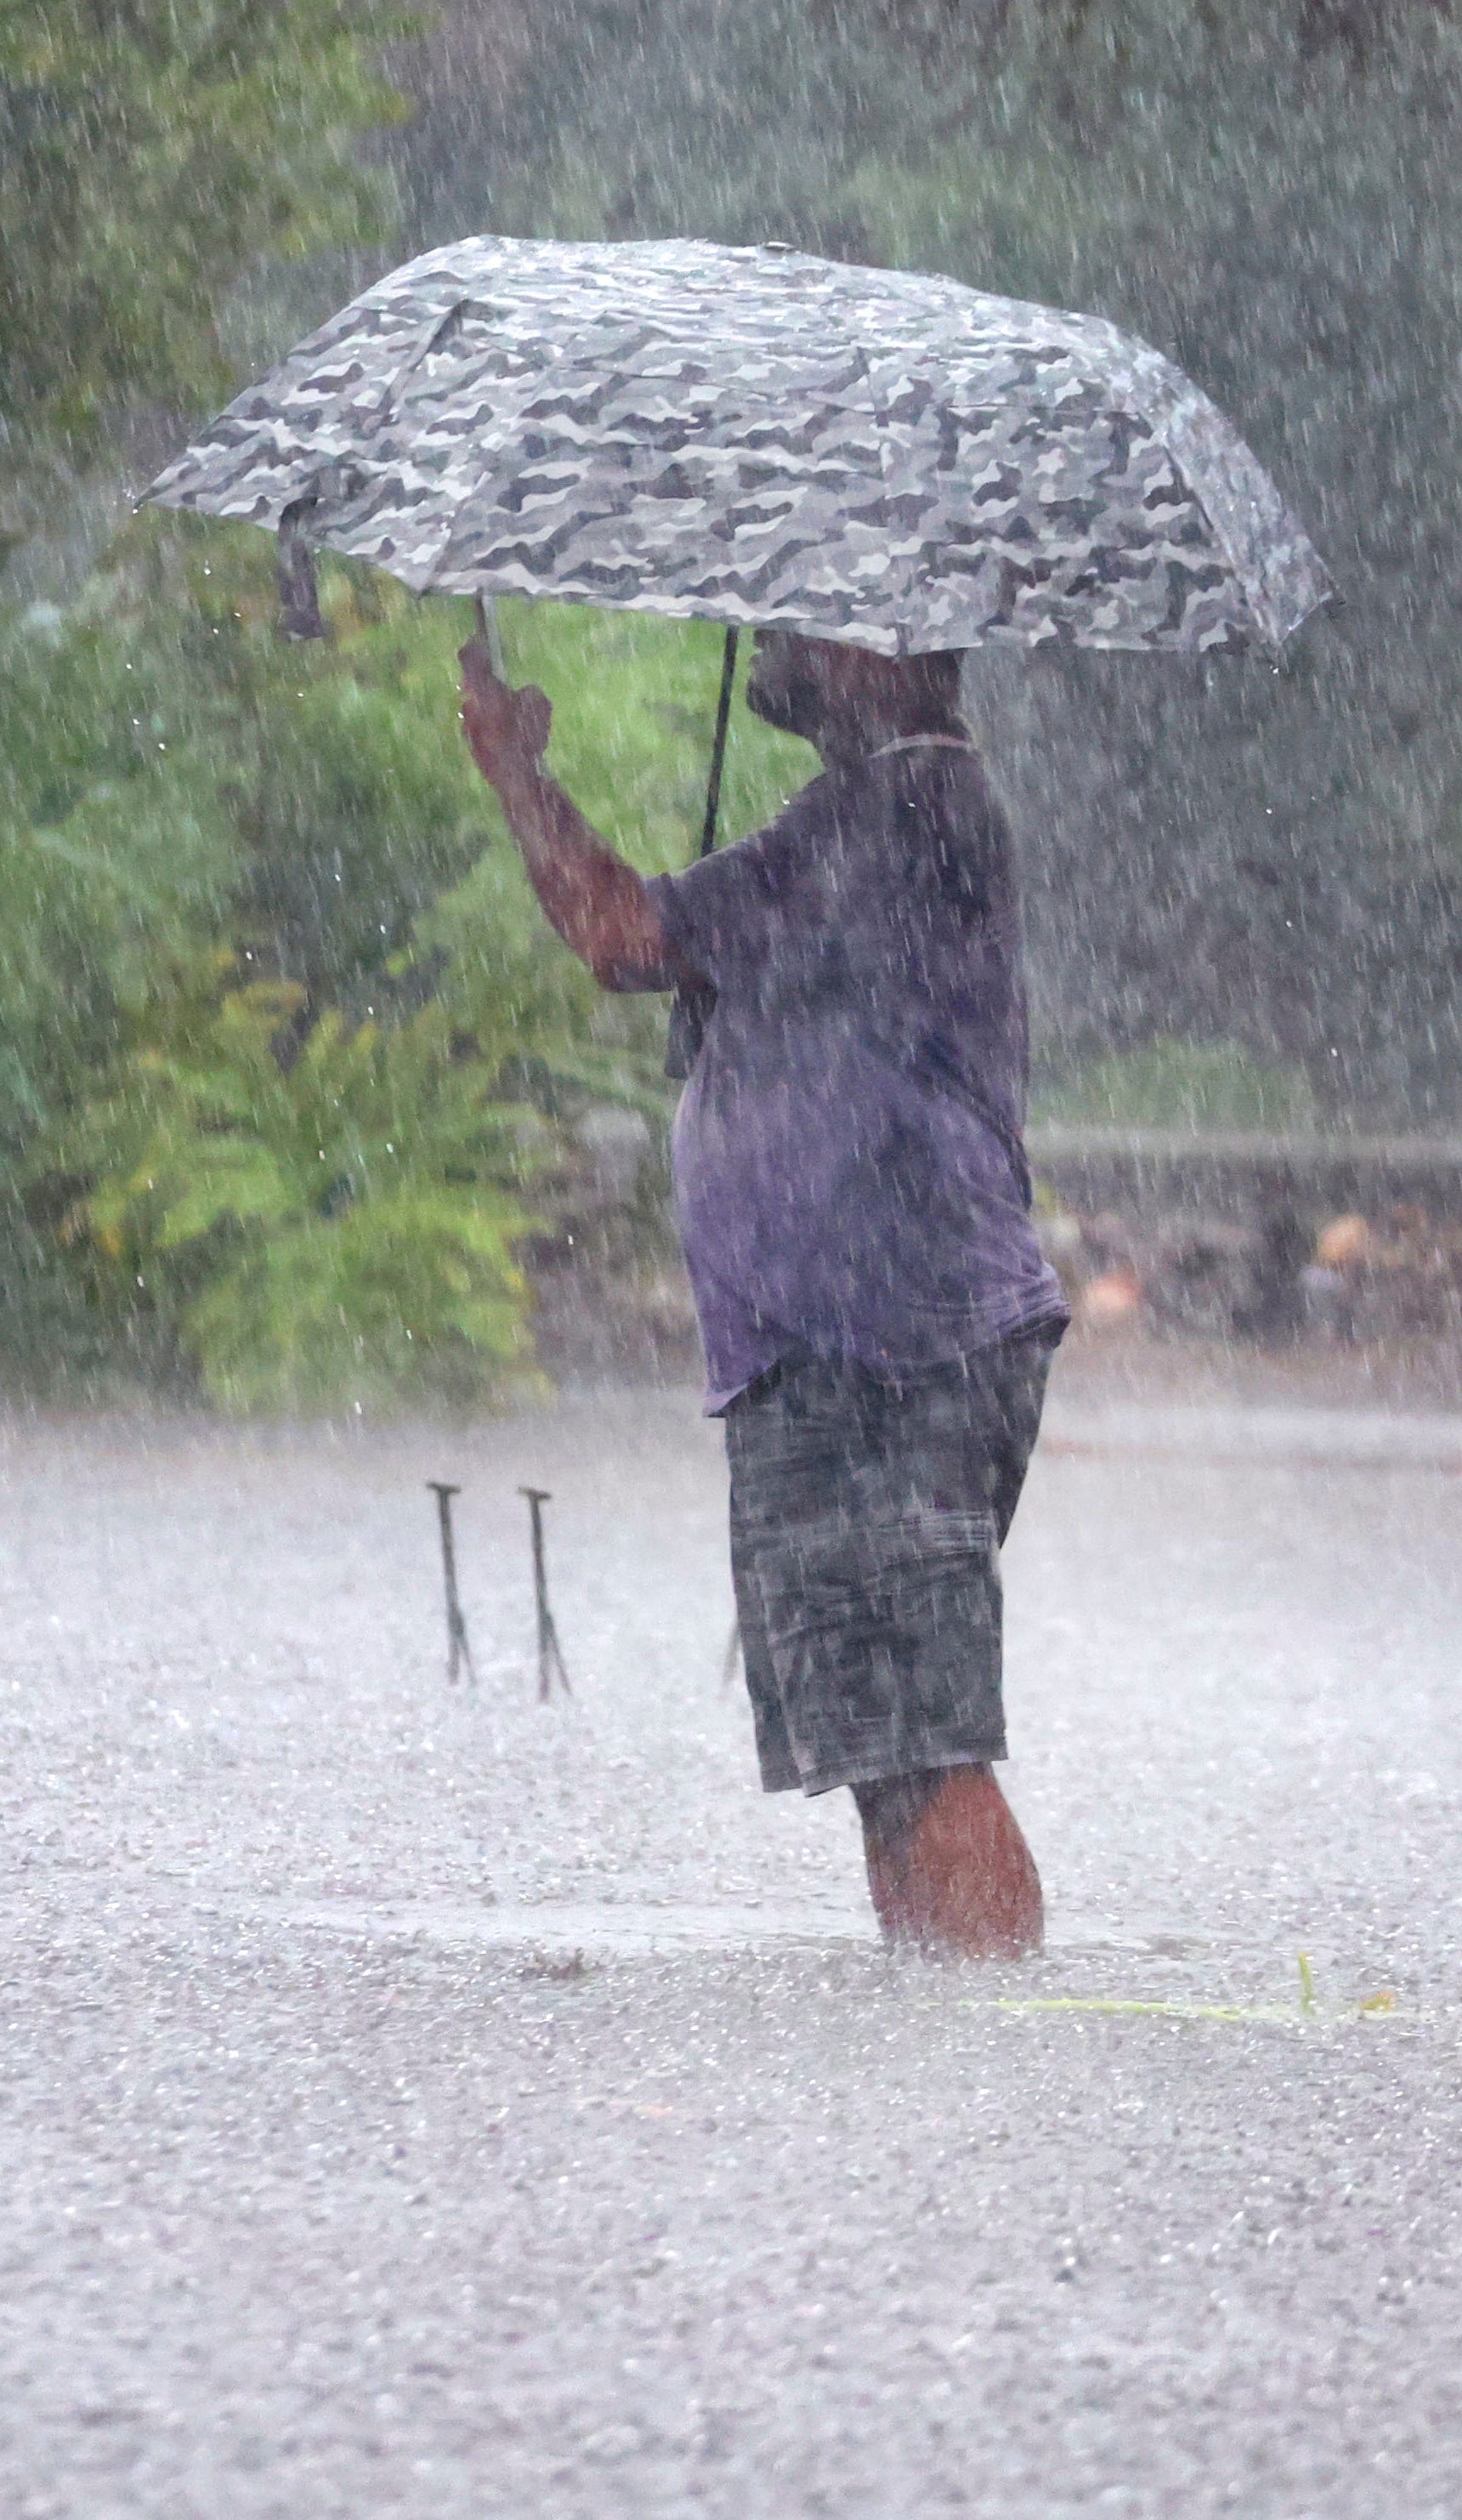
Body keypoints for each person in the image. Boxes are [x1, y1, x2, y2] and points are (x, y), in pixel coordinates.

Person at [460, 622, 1068, 1958]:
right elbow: (664, 948)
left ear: (887, 643)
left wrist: (517, 776)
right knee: (885, 1750)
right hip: (835, 1346)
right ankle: (944, 2036)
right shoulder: (872, 810)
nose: (777, 637)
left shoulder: (902, 808)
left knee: (925, 1739)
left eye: (809, 615)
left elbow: (621, 932)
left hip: (891, 1345)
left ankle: (1001, 2048)